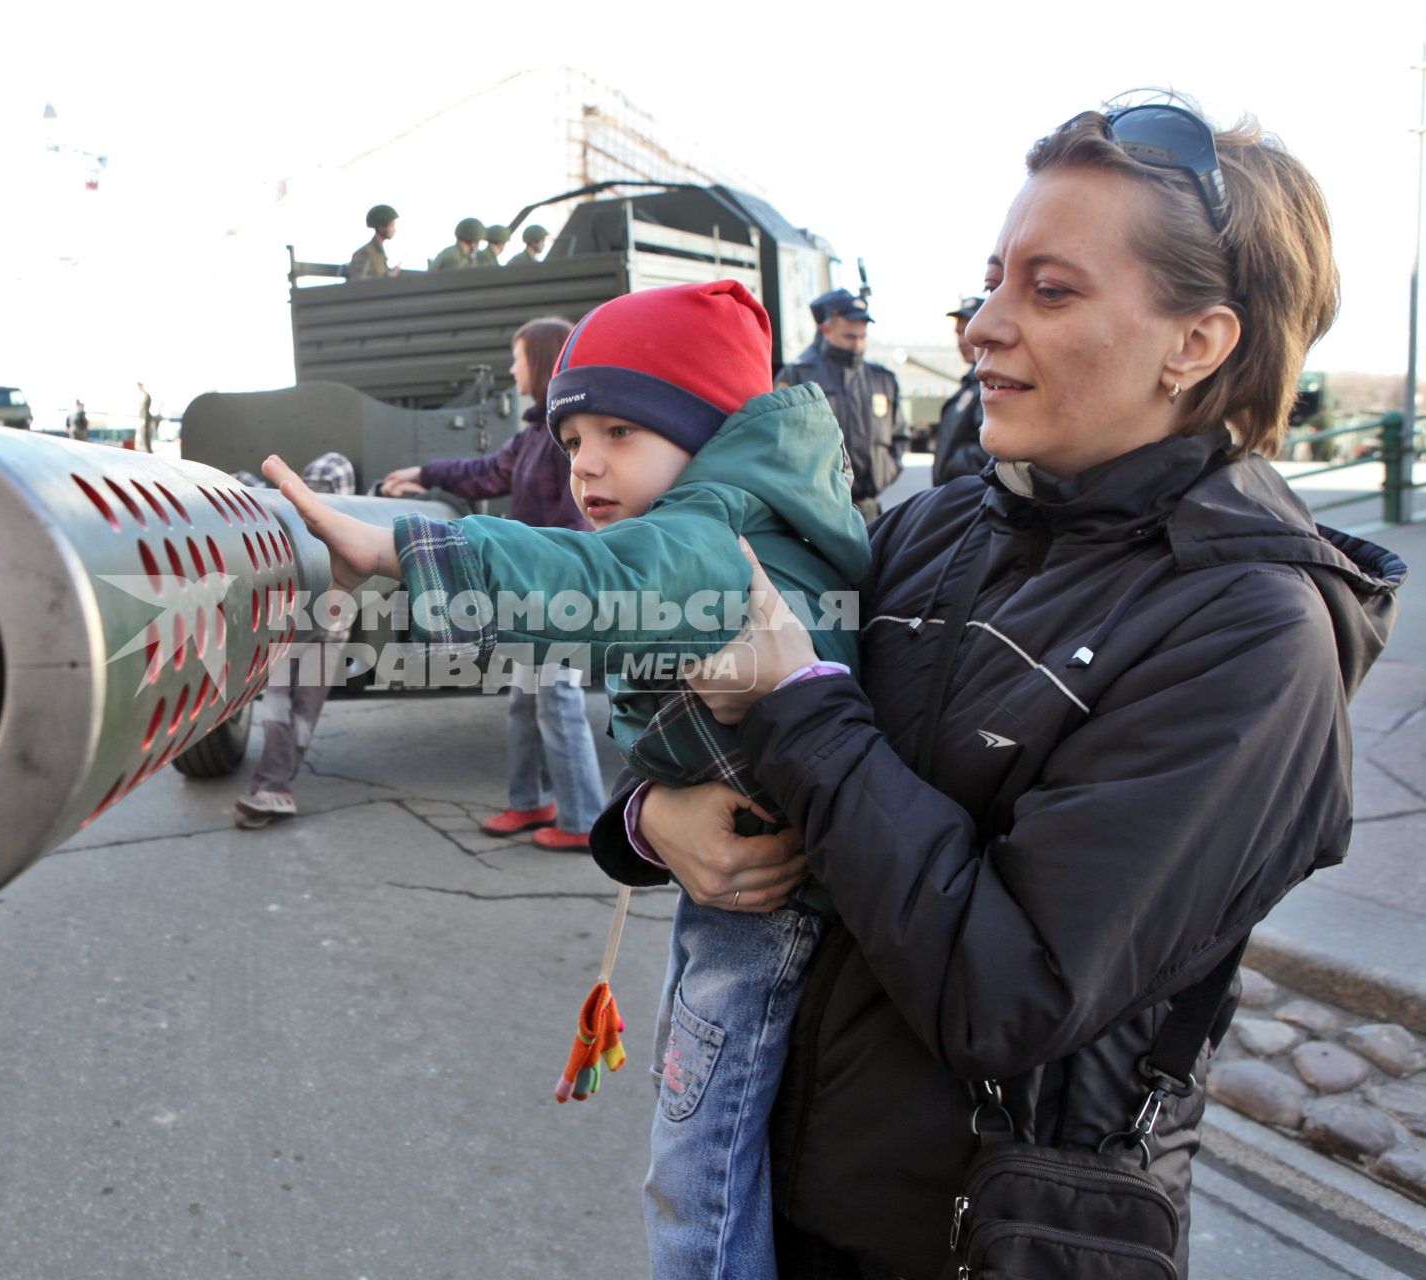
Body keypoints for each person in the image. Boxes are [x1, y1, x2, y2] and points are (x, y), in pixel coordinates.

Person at [595, 102, 1405, 1280]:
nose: (983, 326)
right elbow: (726, 741)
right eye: (988, 283)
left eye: (1051, 290)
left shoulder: (1249, 632)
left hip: (983, 1239)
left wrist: (796, 703)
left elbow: (1006, 995)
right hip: (775, 1197)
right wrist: (645, 820)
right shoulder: (932, 526)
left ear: (1197, 341)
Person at [267, 280, 869, 1277]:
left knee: (698, 1174)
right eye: (573, 434)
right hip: (754, 883)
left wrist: (395, 546)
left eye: (620, 432)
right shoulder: (748, 513)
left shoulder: (704, 533)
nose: (584, 464)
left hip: (759, 915)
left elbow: (589, 582)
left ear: (710, 431)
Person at [380, 316, 607, 850]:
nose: (510, 368)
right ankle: (531, 803)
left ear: (544, 361)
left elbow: (578, 520)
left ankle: (581, 821)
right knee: (524, 699)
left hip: (556, 591)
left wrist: (551, 581)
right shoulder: (535, 432)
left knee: (556, 700)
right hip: (534, 590)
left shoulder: (567, 436)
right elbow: (486, 472)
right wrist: (424, 473)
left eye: (517, 356)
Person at [234, 452, 358, 830]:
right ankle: (273, 787)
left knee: (302, 711)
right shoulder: (295, 517)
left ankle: (276, 787)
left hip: (328, 629)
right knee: (277, 703)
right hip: (292, 626)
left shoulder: (348, 523)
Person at [776, 289, 905, 521]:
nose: (857, 345)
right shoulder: (797, 376)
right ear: (827, 331)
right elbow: (778, 441)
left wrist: (883, 473)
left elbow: (899, 438)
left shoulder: (882, 380)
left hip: (868, 510)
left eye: (862, 337)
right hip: (816, 511)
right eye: (849, 337)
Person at [931, 295, 989, 485]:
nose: (962, 340)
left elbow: (990, 446)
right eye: (958, 332)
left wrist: (951, 466)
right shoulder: (971, 383)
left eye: (967, 330)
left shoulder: (990, 383)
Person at [348, 204, 399, 280]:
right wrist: (387, 277)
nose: (394, 230)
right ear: (381, 227)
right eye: (392, 225)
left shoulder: (379, 253)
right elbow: (358, 282)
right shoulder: (365, 253)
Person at [137, 382, 155, 452]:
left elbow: (145, 408)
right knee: (144, 434)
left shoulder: (146, 395)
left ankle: (149, 450)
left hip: (146, 418)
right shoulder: (144, 395)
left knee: (146, 434)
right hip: (145, 418)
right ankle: (148, 450)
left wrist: (144, 419)